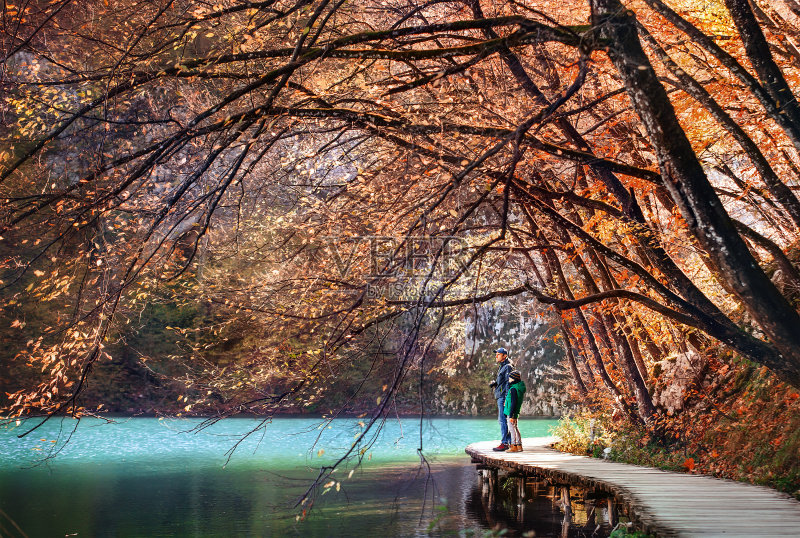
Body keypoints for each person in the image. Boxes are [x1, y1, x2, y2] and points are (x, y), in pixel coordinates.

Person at [489, 347, 513, 451]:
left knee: (503, 420)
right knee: (503, 420)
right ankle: (509, 442)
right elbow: (503, 381)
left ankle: (505, 443)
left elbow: (509, 383)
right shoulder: (502, 366)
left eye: (498, 354)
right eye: (496, 354)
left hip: (503, 397)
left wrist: (507, 398)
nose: (496, 356)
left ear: (504, 356)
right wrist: (495, 383)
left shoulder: (507, 366)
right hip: (501, 395)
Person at [504, 370, 526, 452]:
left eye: (510, 377)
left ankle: (514, 446)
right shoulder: (518, 387)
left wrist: (511, 415)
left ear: (513, 379)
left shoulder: (513, 389)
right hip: (515, 412)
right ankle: (519, 445)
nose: (509, 379)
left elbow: (513, 402)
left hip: (512, 412)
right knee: (515, 428)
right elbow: (513, 401)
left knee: (511, 428)